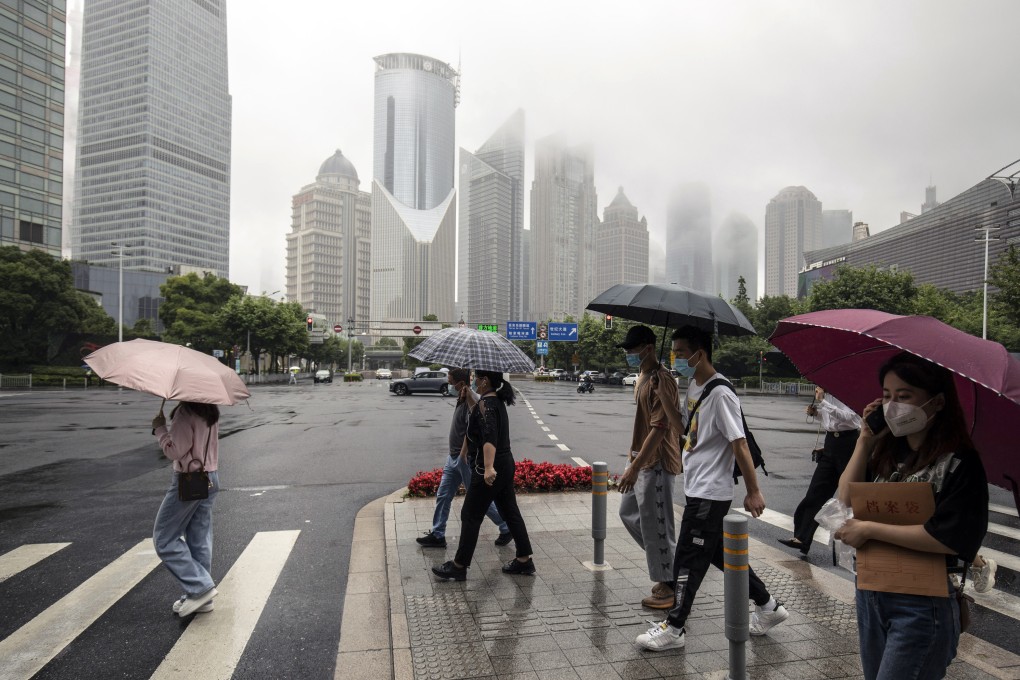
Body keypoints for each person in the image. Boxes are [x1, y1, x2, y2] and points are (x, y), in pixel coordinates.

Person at [836, 352, 989, 680]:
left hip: (922, 605)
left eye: (904, 397)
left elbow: (948, 537)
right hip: (872, 595)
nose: (893, 406)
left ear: (936, 402)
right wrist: (864, 441)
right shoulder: (887, 452)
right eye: (887, 396)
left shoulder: (960, 462)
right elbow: (845, 498)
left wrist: (870, 530)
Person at [637, 326, 788, 651]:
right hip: (698, 488)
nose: (674, 358)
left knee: (687, 561)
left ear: (699, 353)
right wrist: (665, 396)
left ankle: (674, 628)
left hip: (710, 493)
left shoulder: (721, 393)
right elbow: (686, 434)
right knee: (721, 555)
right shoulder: (694, 385)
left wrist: (753, 490)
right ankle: (768, 606)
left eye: (679, 351)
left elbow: (739, 443)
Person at [432, 370, 535, 580]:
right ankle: (524, 560)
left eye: (476, 378)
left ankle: (459, 566)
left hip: (491, 466)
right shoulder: (492, 402)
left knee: (470, 515)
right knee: (510, 512)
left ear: (485, 381)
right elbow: (479, 417)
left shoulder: (488, 405)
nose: (474, 381)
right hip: (506, 463)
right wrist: (469, 396)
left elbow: (489, 437)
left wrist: (488, 467)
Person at [615, 325, 681, 609]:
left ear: (649, 347)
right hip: (641, 457)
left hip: (655, 461)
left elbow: (660, 428)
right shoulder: (643, 376)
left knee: (658, 525)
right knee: (628, 513)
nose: (629, 354)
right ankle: (673, 568)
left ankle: (670, 584)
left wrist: (634, 466)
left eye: (632, 349)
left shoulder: (662, 380)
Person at [417, 368, 512, 549]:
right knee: (443, 495)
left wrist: (462, 455)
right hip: (452, 458)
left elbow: (474, 430)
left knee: (479, 500)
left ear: (461, 383)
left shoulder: (473, 400)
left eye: (451, 381)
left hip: (465, 459)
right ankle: (438, 534)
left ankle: (506, 526)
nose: (449, 385)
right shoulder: (461, 397)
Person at [151, 401, 221, 617]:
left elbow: (175, 451)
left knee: (164, 539)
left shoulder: (185, 412)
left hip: (189, 479)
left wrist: (160, 429)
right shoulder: (209, 409)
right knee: (198, 537)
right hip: (211, 476)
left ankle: (201, 588)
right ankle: (200, 596)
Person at [778, 387, 861, 555]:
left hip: (849, 444)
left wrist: (823, 401)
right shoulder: (827, 393)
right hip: (831, 444)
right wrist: (816, 413)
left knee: (855, 495)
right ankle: (802, 538)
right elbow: (831, 423)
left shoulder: (848, 392)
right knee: (816, 492)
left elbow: (851, 419)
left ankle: (862, 541)